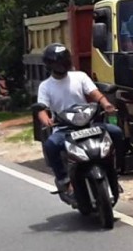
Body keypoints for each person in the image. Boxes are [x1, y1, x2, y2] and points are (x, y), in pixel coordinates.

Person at [35, 43, 124, 193]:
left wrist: (106, 104)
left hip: (88, 124)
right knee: (51, 145)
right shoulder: (45, 86)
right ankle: (64, 179)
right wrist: (47, 120)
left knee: (116, 132)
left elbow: (94, 92)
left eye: (64, 62)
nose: (62, 66)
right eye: (58, 63)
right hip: (64, 128)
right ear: (50, 65)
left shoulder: (80, 76)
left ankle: (116, 169)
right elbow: (41, 108)